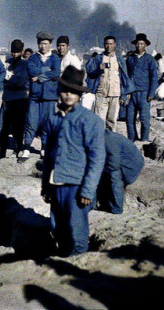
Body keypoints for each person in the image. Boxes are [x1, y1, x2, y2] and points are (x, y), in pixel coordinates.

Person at [41, 66, 105, 256]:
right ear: (59, 92)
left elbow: (97, 158)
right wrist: (46, 185)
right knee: (57, 226)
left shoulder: (90, 121)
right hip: (57, 183)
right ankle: (63, 260)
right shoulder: (53, 120)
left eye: (74, 92)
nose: (68, 95)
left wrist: (88, 189)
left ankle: (77, 265)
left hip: (77, 186)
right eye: (65, 90)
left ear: (79, 95)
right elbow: (48, 157)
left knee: (76, 230)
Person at [18, 31, 61, 163]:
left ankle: (44, 148)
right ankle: (26, 148)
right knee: (31, 122)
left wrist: (40, 77)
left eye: (45, 43)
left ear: (50, 44)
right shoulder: (32, 58)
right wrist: (46, 71)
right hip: (35, 96)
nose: (42, 46)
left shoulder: (55, 58)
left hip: (50, 96)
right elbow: (31, 71)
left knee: (47, 124)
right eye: (40, 43)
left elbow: (56, 73)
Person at [86, 35, 134, 131]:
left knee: (112, 122)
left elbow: (124, 78)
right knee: (99, 121)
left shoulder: (120, 59)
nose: (108, 46)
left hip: (115, 95)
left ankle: (110, 144)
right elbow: (90, 74)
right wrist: (98, 69)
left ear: (115, 45)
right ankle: (99, 143)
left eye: (111, 44)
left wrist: (124, 95)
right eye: (106, 44)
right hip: (101, 94)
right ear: (104, 45)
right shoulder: (98, 58)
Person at [96, 130, 144, 214]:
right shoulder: (101, 136)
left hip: (131, 166)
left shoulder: (109, 140)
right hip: (121, 161)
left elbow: (113, 165)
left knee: (114, 176)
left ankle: (117, 209)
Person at [0, 39, 29, 160]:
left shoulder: (25, 64)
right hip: (8, 99)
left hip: (20, 100)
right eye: (13, 52)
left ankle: (18, 149)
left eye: (17, 52)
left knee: (18, 128)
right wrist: (11, 79)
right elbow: (3, 80)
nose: (15, 54)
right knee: (3, 128)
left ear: (22, 51)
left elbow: (21, 82)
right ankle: (2, 152)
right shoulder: (7, 62)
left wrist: (9, 77)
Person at [125, 33, 158, 142]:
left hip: (144, 93)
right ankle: (132, 139)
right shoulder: (130, 59)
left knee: (144, 119)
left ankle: (144, 140)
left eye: (141, 44)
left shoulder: (150, 59)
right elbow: (125, 75)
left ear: (145, 45)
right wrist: (125, 92)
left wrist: (151, 94)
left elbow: (154, 77)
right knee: (129, 119)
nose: (139, 46)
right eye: (137, 44)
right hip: (131, 93)